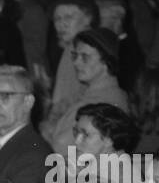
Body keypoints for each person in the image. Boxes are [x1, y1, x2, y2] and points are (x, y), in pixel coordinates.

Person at [43, 27, 128, 157]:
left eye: (85, 57)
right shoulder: (85, 93)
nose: (76, 63)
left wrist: (46, 130)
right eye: (75, 56)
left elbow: (59, 147)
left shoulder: (108, 101)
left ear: (106, 61)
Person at [45, 0, 97, 131]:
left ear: (88, 18)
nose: (61, 24)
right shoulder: (71, 47)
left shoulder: (85, 50)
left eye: (68, 17)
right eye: (57, 19)